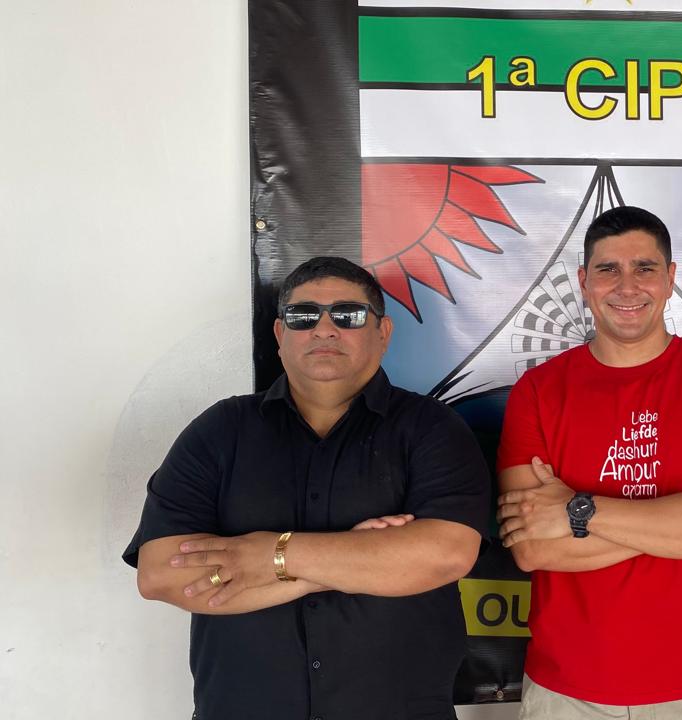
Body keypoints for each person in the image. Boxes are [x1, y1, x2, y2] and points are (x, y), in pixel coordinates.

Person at [123, 256, 490, 720]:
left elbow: (445, 555)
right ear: (280, 335)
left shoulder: (432, 429)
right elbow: (161, 575)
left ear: (383, 332)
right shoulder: (219, 432)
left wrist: (270, 556)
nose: (324, 329)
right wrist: (351, 559)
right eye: (303, 316)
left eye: (348, 314)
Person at [495, 206, 682, 719]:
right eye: (608, 269)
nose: (627, 286)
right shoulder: (537, 391)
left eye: (645, 268)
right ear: (584, 282)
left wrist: (576, 511)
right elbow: (533, 547)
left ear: (670, 279)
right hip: (565, 690)